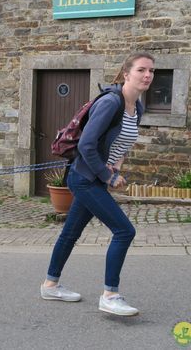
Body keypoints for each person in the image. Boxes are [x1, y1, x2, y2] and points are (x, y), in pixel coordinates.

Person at [40, 52, 154, 316]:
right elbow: (86, 144)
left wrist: (116, 165)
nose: (147, 75)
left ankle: (50, 285)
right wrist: (108, 175)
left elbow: (120, 143)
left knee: (70, 233)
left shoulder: (137, 107)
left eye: (151, 71)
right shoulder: (111, 103)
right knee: (125, 231)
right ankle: (110, 295)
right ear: (126, 74)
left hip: (94, 177)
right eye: (141, 70)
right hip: (84, 179)